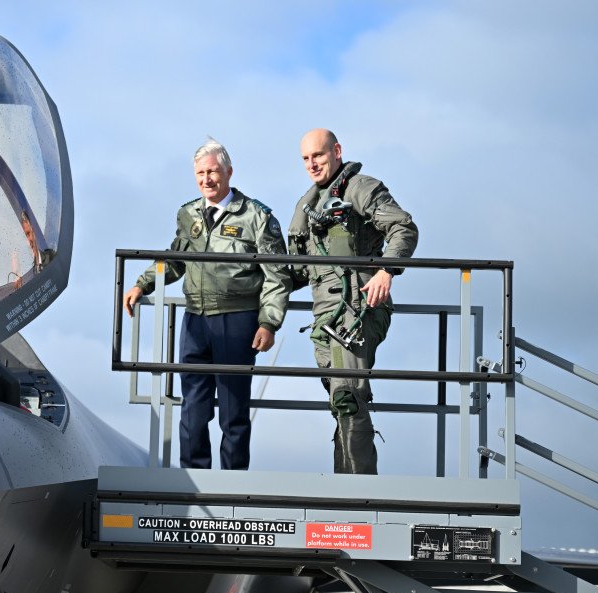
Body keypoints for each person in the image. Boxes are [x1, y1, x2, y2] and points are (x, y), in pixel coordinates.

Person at [123, 139, 290, 470]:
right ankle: (195, 481)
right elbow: (175, 259)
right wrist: (143, 284)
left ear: (228, 171)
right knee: (193, 410)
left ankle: (231, 484)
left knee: (233, 412)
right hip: (196, 320)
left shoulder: (256, 216)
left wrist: (269, 323)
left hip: (238, 321)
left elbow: (277, 274)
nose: (206, 179)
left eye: (212, 171)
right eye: (200, 173)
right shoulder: (188, 214)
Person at [287, 129, 418, 475]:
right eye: (305, 158)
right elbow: (297, 271)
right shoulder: (308, 204)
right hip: (324, 320)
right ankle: (344, 488)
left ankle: (359, 492)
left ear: (337, 151)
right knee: (341, 401)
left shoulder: (360, 188)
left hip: (357, 310)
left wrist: (386, 270)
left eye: (318, 155)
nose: (312, 164)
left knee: (347, 397)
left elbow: (403, 228)